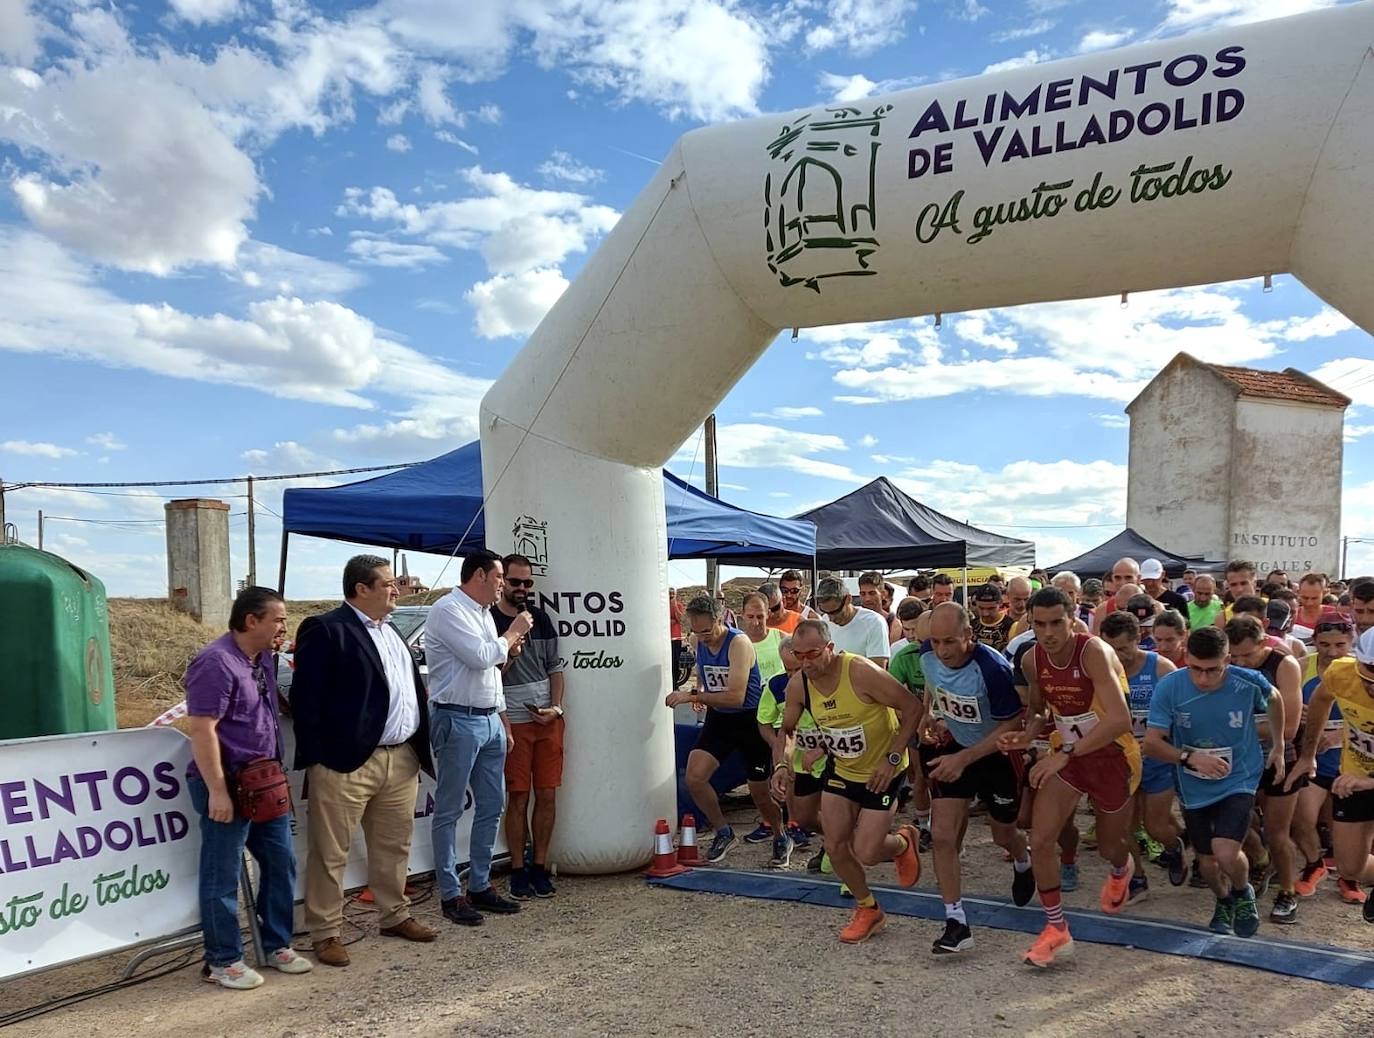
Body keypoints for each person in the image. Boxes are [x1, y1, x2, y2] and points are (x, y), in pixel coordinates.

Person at [291, 557, 437, 966]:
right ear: (361, 589)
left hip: (401, 758)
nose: (396, 589)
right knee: (331, 851)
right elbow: (307, 700)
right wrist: (322, 757)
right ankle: (326, 931)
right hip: (346, 764)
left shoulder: (392, 631)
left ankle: (395, 915)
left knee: (394, 845)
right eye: (388, 584)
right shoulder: (327, 629)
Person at [996, 588, 1139, 969]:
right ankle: (1056, 929)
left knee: (1111, 846)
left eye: (1056, 622)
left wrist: (1065, 753)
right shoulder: (1031, 659)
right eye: (1039, 624)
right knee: (1041, 840)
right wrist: (1026, 736)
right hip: (1069, 756)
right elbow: (1041, 711)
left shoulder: (1093, 652)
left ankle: (1122, 869)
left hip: (1112, 756)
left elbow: (1120, 719)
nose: (1048, 632)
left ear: (1074, 617)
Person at [186, 587, 311, 989]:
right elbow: (202, 731)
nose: (283, 626)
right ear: (251, 620)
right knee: (221, 873)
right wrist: (218, 791)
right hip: (229, 781)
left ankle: (275, 944)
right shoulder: (215, 662)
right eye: (277, 619)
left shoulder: (265, 659)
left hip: (265, 779)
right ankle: (223, 960)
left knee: (280, 860)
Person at [771, 619, 923, 943]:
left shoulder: (860, 672)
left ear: (830, 648)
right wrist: (782, 765)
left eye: (812, 654)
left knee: (867, 852)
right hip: (843, 770)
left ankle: (902, 843)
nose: (806, 663)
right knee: (836, 844)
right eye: (799, 656)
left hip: (884, 770)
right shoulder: (799, 685)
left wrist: (892, 758)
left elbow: (912, 707)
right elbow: (787, 730)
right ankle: (868, 908)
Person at [1143, 626, 1286, 937]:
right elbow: (1152, 743)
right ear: (1186, 658)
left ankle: (1243, 891)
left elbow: (1275, 699)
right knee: (1207, 863)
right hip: (1193, 784)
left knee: (1225, 851)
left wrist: (1279, 745)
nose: (1203, 679)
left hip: (1240, 776)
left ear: (1228, 660)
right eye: (1195, 669)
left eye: (1213, 670)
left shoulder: (1247, 681)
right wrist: (1190, 758)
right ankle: (1224, 900)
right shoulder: (1170, 686)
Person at [919, 604, 1035, 954]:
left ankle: (1022, 858)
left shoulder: (993, 668)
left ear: (969, 636)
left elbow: (1012, 724)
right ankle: (956, 921)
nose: (943, 650)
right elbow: (934, 679)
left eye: (950, 642)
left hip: (996, 755)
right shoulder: (927, 653)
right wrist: (931, 714)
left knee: (1003, 833)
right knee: (941, 835)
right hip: (955, 747)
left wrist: (965, 757)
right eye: (936, 642)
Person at [428, 550, 531, 926]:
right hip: (457, 718)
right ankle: (450, 893)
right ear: (479, 576)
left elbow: (492, 671)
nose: (503, 583)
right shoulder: (448, 610)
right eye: (500, 575)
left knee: (492, 804)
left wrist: (502, 721)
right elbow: (478, 656)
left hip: (487, 718)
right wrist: (512, 634)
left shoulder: (483, 614)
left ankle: (481, 884)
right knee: (450, 809)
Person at [665, 595, 786, 865]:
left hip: (748, 719)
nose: (702, 637)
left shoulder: (739, 643)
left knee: (759, 793)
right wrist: (703, 693)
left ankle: (780, 833)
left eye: (707, 631)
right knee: (695, 777)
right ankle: (723, 830)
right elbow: (706, 676)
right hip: (719, 718)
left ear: (720, 620)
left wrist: (694, 696)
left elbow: (736, 697)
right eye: (696, 631)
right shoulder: (699, 641)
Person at [494, 553, 565, 901]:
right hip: (512, 722)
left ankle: (540, 866)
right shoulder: (489, 619)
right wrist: (510, 653)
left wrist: (556, 707)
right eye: (516, 581)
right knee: (518, 796)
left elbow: (556, 668)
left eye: (528, 583)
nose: (522, 588)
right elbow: (488, 674)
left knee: (548, 794)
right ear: (501, 581)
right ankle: (518, 870)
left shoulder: (541, 617)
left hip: (547, 721)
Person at [1290, 626, 1374, 921]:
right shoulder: (1342, 672)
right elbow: (1321, 701)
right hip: (1353, 778)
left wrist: (1368, 781)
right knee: (1350, 867)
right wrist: (1308, 754)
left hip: (1361, 779)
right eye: (1369, 670)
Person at [1099, 610, 1184, 899]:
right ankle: (1138, 879)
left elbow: (1184, 714)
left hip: (1156, 760)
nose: (1117, 656)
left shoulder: (1162, 669)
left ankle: (1175, 847)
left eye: (1122, 648)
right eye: (1110, 648)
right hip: (1119, 761)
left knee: (1156, 826)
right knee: (1123, 828)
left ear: (1139, 639)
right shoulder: (1100, 670)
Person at [1225, 615, 1304, 922]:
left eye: (1249, 655)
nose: (1242, 663)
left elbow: (1288, 727)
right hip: (1241, 759)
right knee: (1233, 823)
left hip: (1279, 758)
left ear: (1263, 643)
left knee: (1277, 832)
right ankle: (1260, 862)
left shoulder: (1283, 665)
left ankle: (1288, 891)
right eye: (1236, 656)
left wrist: (1233, 726)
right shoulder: (1226, 667)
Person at [1288, 610, 1353, 902]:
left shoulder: (1362, 670)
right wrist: (1297, 715)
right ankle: (1314, 864)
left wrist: (1340, 735)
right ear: (1314, 641)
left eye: (1340, 645)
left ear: (1351, 642)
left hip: (1350, 766)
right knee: (1301, 818)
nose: (1332, 652)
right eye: (1325, 644)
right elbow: (1282, 708)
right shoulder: (1301, 668)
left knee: (1346, 832)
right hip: (1312, 758)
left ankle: (1349, 876)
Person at [757, 638, 824, 868]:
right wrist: (779, 749)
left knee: (833, 808)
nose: (792, 676)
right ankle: (834, 839)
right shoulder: (777, 686)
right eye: (788, 670)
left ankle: (833, 847)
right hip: (796, 760)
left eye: (797, 669)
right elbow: (765, 723)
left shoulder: (823, 685)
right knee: (804, 816)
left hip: (829, 758)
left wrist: (822, 748)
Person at [813, 576, 891, 667]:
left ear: (848, 599)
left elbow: (878, 670)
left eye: (835, 612)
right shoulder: (825, 621)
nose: (831, 619)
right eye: (826, 612)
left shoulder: (874, 623)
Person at [1092, 558, 1141, 634]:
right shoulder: (1103, 609)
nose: (1123, 582)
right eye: (1117, 578)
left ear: (1138, 579)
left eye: (1128, 577)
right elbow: (1098, 642)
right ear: (1112, 578)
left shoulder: (1155, 607)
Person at [970, 583, 1015, 654]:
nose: (985, 613)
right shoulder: (971, 625)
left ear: (1000, 603)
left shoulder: (1011, 626)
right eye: (981, 608)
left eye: (991, 608)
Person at [858, 570, 902, 643]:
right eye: (863, 594)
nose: (867, 599)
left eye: (872, 593)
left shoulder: (892, 622)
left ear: (883, 594)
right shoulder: (854, 618)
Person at [1216, 561, 1262, 627]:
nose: (1239, 589)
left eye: (1244, 583)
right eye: (1233, 585)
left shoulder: (1269, 608)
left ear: (1254, 583)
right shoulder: (1223, 617)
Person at [1291, 573, 1328, 647]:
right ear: (1298, 593)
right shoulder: (1292, 615)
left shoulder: (1334, 615)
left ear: (1324, 593)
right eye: (1305, 598)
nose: (1309, 603)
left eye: (1314, 598)